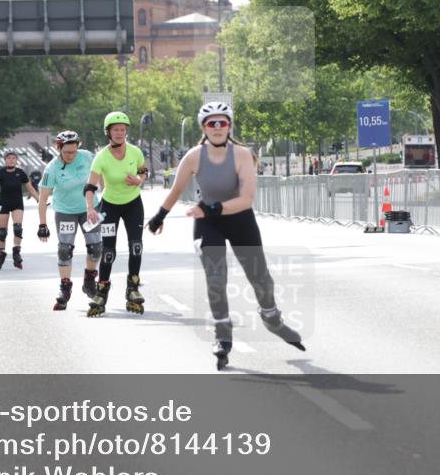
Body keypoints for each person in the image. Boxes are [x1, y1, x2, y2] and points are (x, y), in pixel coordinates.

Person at [147, 101, 305, 370]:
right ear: (204, 128)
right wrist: (159, 215)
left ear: (230, 125)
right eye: (212, 123)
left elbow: (246, 199)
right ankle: (222, 335)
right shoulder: (194, 156)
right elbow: (176, 190)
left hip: (239, 219)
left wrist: (213, 208)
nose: (218, 128)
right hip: (209, 224)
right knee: (216, 278)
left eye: (222, 122)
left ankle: (271, 317)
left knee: (260, 277)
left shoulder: (242, 155)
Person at [83, 111, 149, 317]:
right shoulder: (101, 157)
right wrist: (90, 208)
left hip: (133, 204)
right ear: (108, 132)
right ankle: (102, 290)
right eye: (116, 130)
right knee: (109, 250)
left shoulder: (135, 152)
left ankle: (133, 287)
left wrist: (139, 180)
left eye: (123, 129)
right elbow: (90, 186)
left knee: (136, 246)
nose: (120, 133)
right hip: (110, 206)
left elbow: (144, 172)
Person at [37, 130, 102, 310]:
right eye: (66, 152)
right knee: (65, 249)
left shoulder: (88, 156)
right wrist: (42, 224)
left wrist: (105, 197)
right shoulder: (52, 168)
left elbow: (102, 171)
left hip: (89, 210)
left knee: (96, 248)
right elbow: (43, 199)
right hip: (65, 211)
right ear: (59, 149)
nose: (70, 156)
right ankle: (65, 288)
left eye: (73, 152)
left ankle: (89, 279)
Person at [0, 151, 39, 270]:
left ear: (16, 160)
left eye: (14, 158)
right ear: (5, 160)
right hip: (3, 203)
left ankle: (16, 252)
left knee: (18, 228)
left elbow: (30, 188)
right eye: (9, 158)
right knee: (2, 232)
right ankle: (1, 255)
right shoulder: (1, 172)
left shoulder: (20, 173)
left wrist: (39, 200)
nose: (11, 160)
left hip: (17, 203)